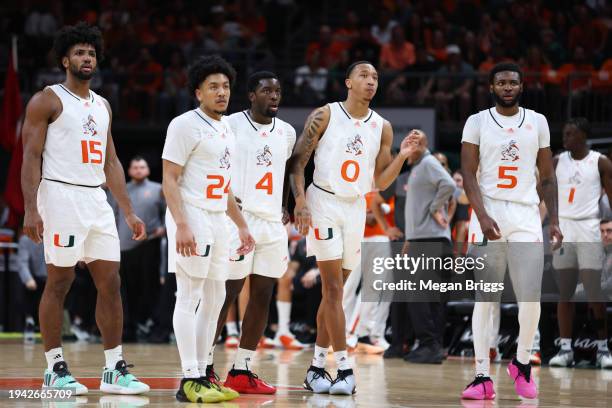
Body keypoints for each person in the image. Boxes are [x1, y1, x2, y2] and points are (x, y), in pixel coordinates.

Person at [21, 22, 150, 395]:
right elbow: (30, 158)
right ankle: (54, 368)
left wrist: (127, 210)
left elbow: (111, 162)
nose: (87, 58)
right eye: (79, 52)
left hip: (96, 198)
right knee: (59, 281)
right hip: (60, 196)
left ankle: (114, 368)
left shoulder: (103, 104)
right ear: (65, 60)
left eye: (91, 53)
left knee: (110, 282)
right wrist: (32, 208)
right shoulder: (47, 99)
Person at [289, 60, 411, 395]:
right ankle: (343, 368)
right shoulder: (325, 115)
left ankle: (315, 366)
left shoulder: (382, 127)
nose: (371, 81)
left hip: (355, 207)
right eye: (364, 75)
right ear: (347, 82)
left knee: (335, 293)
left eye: (375, 77)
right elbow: (298, 162)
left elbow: (381, 183)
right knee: (333, 291)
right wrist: (299, 202)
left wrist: (402, 157)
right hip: (324, 202)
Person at [460, 63, 562, 400]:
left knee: (530, 297)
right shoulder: (476, 121)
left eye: (513, 82)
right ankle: (481, 376)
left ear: (521, 86)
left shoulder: (538, 121)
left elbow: (547, 176)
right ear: (491, 86)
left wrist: (556, 221)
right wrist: (482, 214)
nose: (507, 87)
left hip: (525, 215)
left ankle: (520, 362)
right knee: (485, 299)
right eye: (501, 82)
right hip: (488, 212)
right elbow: (469, 174)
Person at [162, 54, 254, 403]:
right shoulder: (183, 124)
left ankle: (203, 373)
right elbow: (169, 180)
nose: (221, 92)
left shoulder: (226, 126)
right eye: (213, 86)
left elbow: (225, 186)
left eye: (226, 86)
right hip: (193, 216)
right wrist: (182, 224)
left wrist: (242, 226)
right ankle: (189, 379)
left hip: (218, 218)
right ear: (198, 91)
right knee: (189, 296)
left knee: (216, 297)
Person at [207, 71, 296, 394]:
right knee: (226, 293)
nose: (274, 95)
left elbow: (283, 172)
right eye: (266, 90)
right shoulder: (229, 124)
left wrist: (285, 204)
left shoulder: (286, 132)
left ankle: (242, 369)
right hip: (238, 220)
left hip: (271, 223)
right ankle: (204, 366)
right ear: (251, 95)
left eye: (278, 90)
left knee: (263, 294)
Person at [549, 118, 612, 369]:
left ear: (584, 136)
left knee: (594, 293)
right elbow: (549, 195)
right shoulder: (556, 161)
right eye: (564, 134)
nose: (565, 138)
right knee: (564, 292)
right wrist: (552, 222)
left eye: (571, 134)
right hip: (564, 228)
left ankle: (603, 349)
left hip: (588, 227)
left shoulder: (600, 162)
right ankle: (565, 350)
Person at [402, 129, 455, 364]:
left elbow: (449, 184)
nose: (405, 149)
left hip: (429, 240)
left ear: (420, 145)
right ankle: (433, 346)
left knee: (418, 296)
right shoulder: (420, 167)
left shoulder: (428, 163)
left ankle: (429, 344)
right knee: (431, 298)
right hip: (426, 240)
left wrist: (435, 208)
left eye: (411, 144)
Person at [109, 156, 165, 341]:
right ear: (129, 170)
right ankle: (129, 327)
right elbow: (112, 215)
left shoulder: (158, 190)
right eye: (135, 167)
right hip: (124, 246)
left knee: (149, 286)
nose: (139, 170)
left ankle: (149, 324)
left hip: (149, 244)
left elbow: (168, 213)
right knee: (126, 289)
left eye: (142, 166)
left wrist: (163, 229)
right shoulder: (120, 189)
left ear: (148, 170)